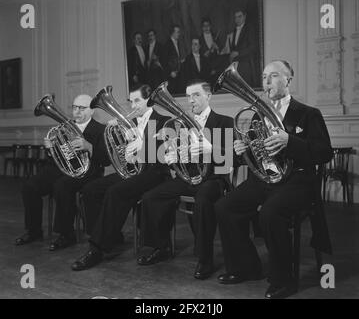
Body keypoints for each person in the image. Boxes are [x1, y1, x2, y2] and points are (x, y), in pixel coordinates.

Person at [214, 60, 333, 299]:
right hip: (265, 179)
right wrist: (242, 150)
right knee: (224, 206)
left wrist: (291, 141)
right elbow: (254, 153)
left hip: (297, 182)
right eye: (264, 76)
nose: (266, 81)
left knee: (269, 213)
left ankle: (283, 280)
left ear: (289, 79)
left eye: (274, 75)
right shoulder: (258, 115)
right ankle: (246, 267)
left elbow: (324, 153)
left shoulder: (308, 114)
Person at [137, 80, 233, 280]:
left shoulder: (224, 121)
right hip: (189, 177)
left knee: (203, 200)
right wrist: (172, 156)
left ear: (208, 96)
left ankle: (205, 258)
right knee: (151, 197)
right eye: (188, 96)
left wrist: (211, 150)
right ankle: (160, 246)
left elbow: (230, 159)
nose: (191, 100)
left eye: (196, 95)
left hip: (214, 178)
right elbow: (180, 157)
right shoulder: (181, 125)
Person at [71, 84, 171, 271]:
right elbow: (113, 156)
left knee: (116, 192)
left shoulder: (164, 121)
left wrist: (139, 144)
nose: (133, 105)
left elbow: (160, 155)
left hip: (154, 173)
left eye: (137, 101)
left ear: (149, 100)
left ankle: (97, 248)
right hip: (133, 171)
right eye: (130, 101)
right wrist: (116, 137)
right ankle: (108, 236)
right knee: (90, 190)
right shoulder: (130, 124)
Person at [15, 94, 109, 250]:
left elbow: (105, 160)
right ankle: (34, 231)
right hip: (61, 168)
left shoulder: (101, 129)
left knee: (62, 186)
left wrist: (89, 147)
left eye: (82, 108)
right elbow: (56, 158)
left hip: (87, 171)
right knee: (30, 186)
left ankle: (66, 234)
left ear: (92, 111)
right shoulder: (64, 127)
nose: (77, 112)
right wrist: (51, 150)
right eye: (74, 107)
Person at [221, 10, 258, 87]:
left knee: (246, 89)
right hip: (236, 67)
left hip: (246, 66)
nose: (237, 19)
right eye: (235, 17)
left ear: (244, 17)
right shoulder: (234, 31)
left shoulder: (249, 29)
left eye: (239, 16)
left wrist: (238, 53)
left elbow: (253, 47)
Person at [163, 25, 185, 94]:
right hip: (171, 76)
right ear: (173, 33)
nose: (179, 34)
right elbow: (164, 60)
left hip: (177, 74)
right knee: (172, 94)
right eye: (178, 32)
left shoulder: (178, 43)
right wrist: (170, 72)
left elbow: (175, 58)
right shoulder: (167, 44)